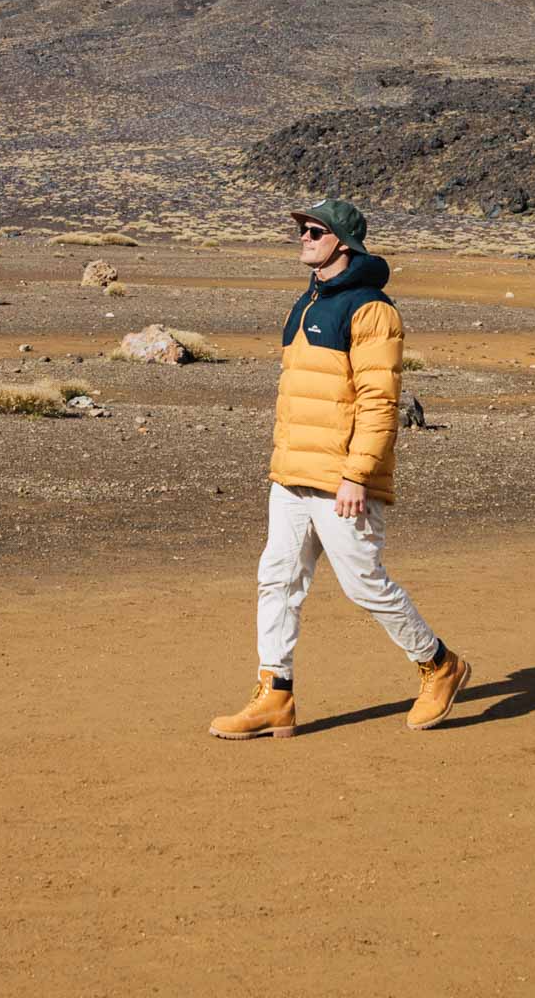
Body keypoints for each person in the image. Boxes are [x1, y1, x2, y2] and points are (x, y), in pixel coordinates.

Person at [209, 196, 469, 740]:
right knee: (276, 580)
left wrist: (356, 474)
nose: (303, 236)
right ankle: (275, 695)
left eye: (314, 230)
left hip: (342, 481)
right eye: (301, 229)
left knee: (364, 583)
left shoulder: (372, 310)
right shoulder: (305, 303)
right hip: (292, 474)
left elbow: (378, 401)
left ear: (343, 242)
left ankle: (439, 664)